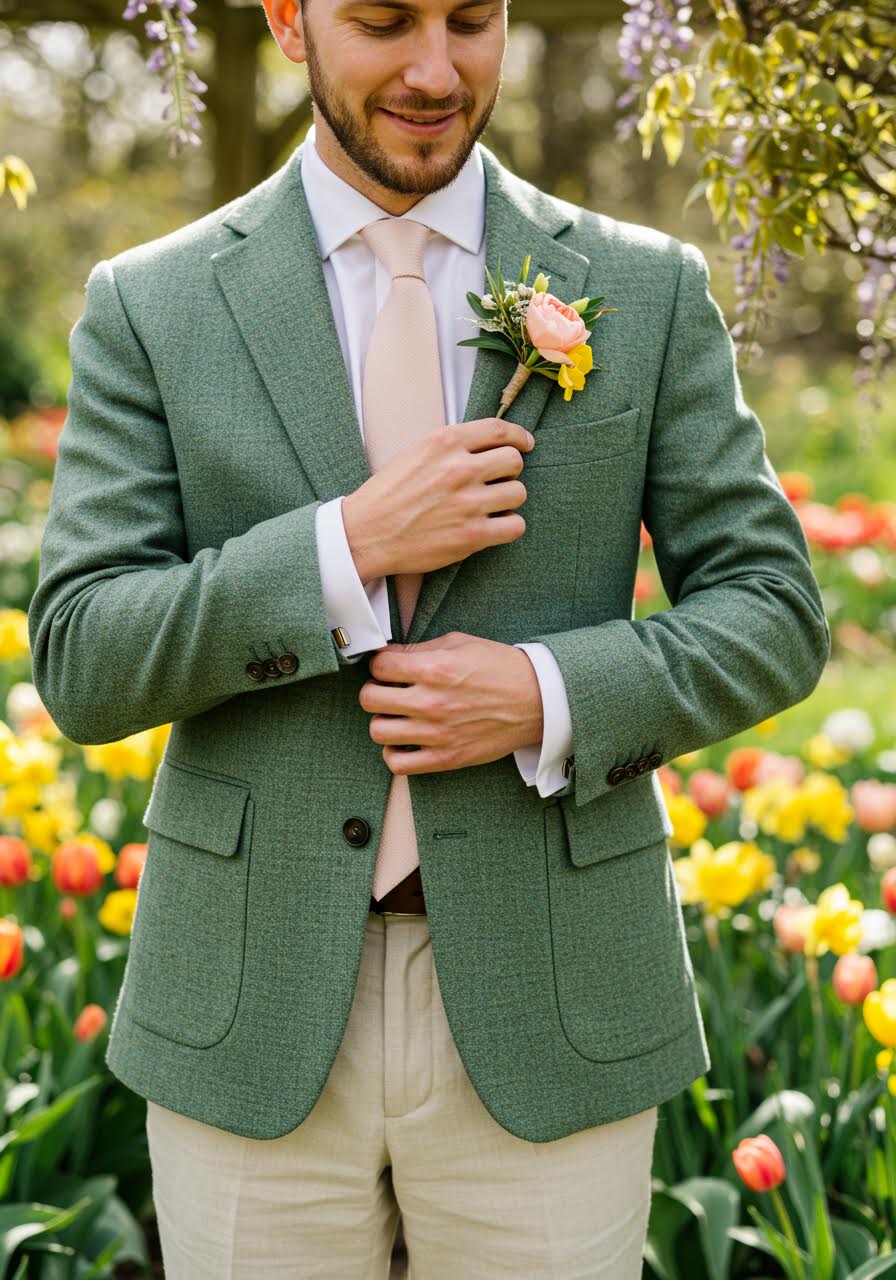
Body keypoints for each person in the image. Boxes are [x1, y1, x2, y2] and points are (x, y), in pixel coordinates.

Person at [27, 0, 831, 1274]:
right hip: (251, 1002)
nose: (433, 68)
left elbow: (776, 611)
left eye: (470, 20)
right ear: (288, 21)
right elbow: (81, 651)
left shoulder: (640, 287)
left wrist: (545, 691)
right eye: (385, 20)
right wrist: (343, 547)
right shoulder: (153, 304)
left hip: (553, 996)